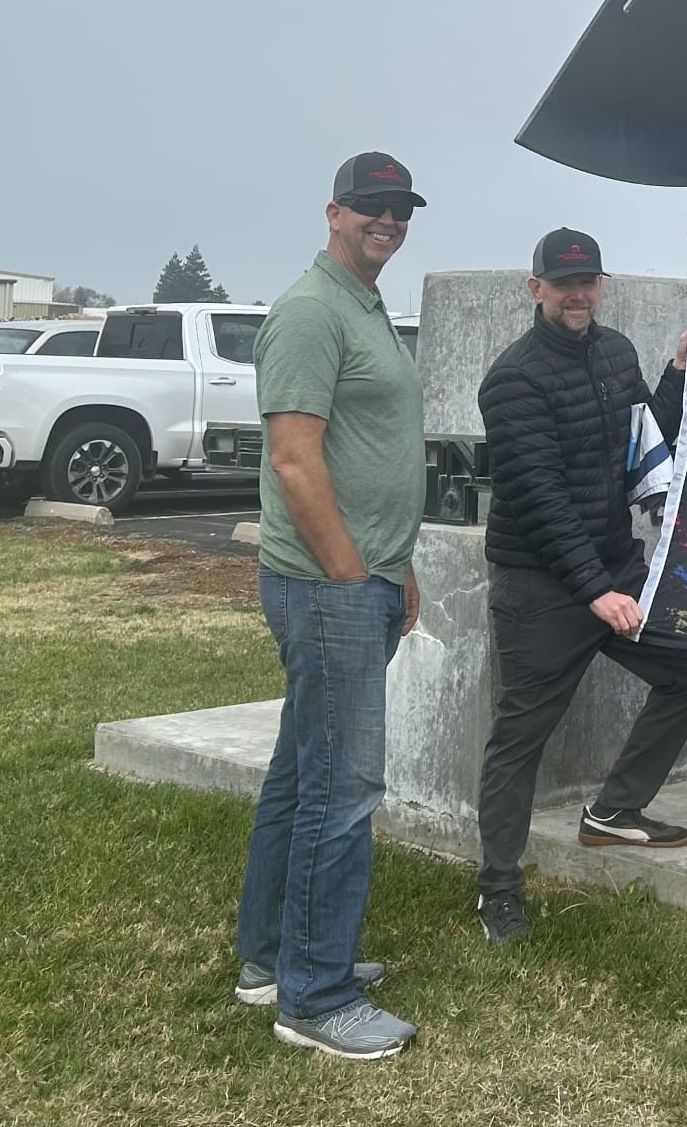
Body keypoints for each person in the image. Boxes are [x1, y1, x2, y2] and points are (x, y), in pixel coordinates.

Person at [233, 152, 428, 1060]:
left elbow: (372, 449)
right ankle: (314, 995)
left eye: (400, 209)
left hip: (367, 577)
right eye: (371, 207)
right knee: (344, 790)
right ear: (333, 212)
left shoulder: (364, 303)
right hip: (326, 587)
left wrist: (399, 567)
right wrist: (354, 577)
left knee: (300, 773)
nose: (386, 220)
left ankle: (272, 958)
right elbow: (295, 462)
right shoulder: (310, 311)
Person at [474, 229, 687, 945]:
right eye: (563, 283)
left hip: (612, 570)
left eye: (589, 282)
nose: (577, 294)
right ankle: (497, 891)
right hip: (540, 588)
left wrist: (676, 373)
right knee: (520, 740)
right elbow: (542, 498)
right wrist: (595, 592)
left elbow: (647, 447)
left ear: (600, 285)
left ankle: (613, 813)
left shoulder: (615, 354)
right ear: (536, 288)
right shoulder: (512, 380)